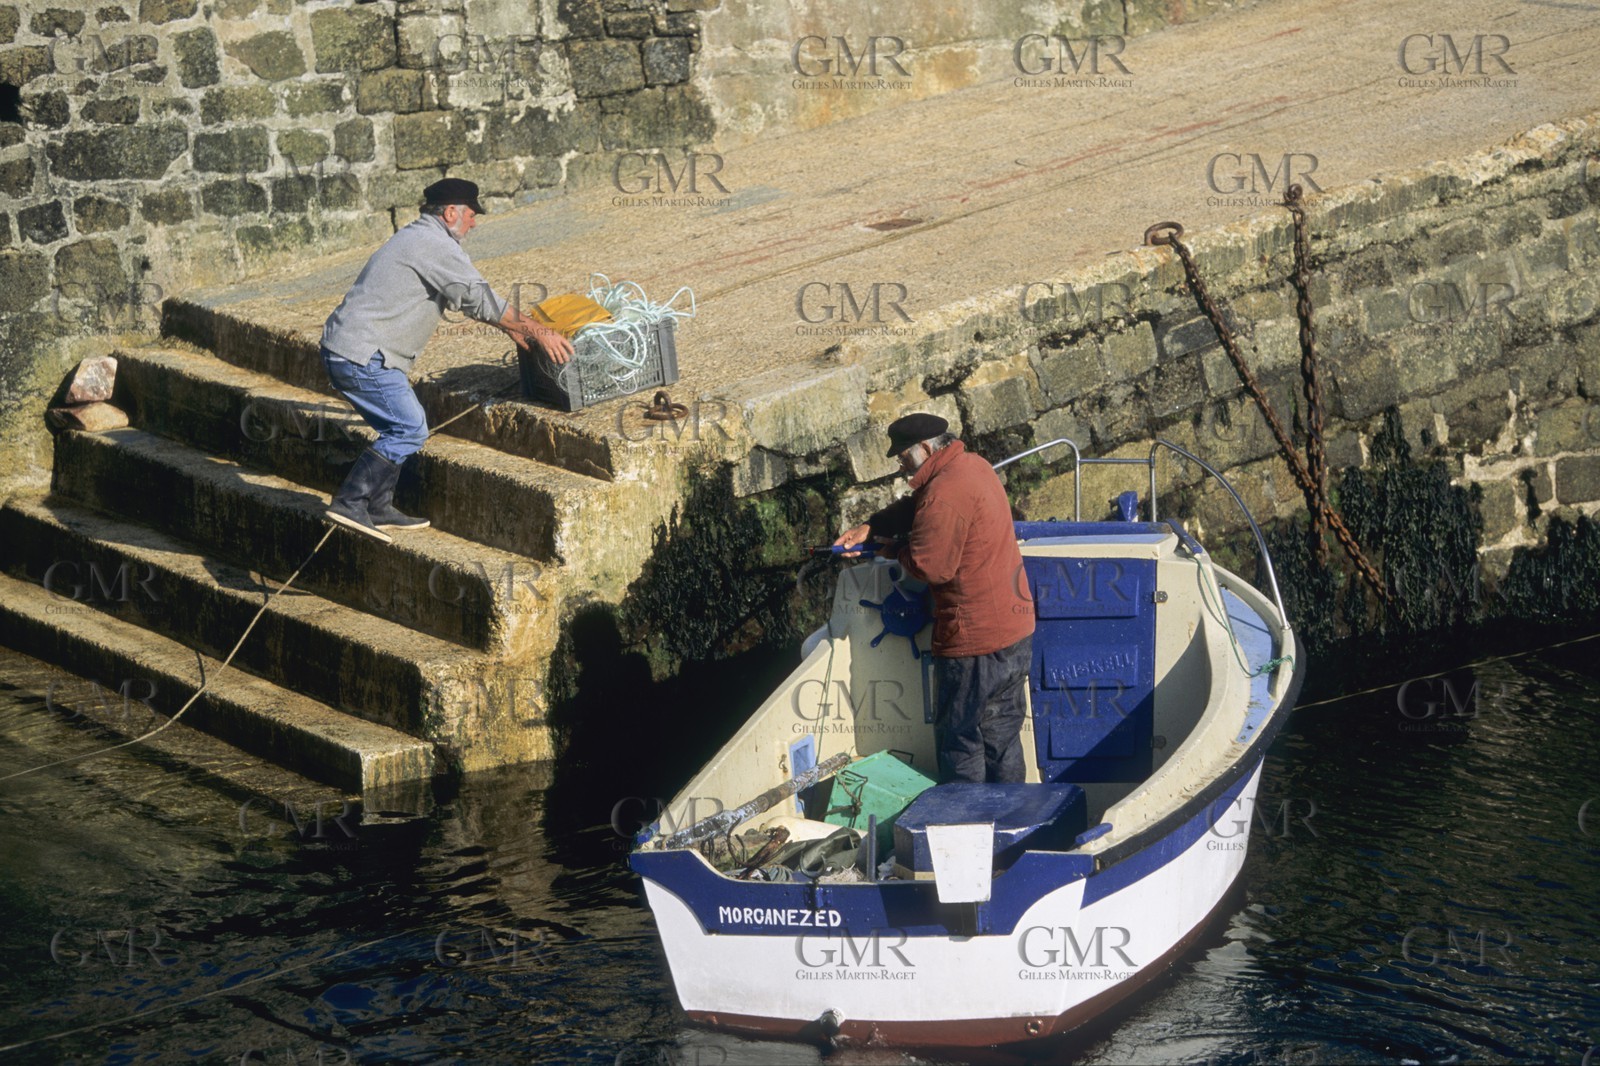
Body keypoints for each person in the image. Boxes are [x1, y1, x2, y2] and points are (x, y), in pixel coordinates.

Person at [319, 177, 574, 543]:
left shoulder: (419, 237)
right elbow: (476, 296)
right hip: (362, 357)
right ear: (451, 212)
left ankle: (377, 506)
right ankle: (351, 501)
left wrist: (510, 329)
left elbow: (467, 298)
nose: (474, 222)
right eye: (471, 214)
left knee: (398, 426)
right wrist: (539, 331)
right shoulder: (432, 244)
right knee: (409, 428)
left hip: (348, 350)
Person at [834, 413, 1035, 784]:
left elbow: (931, 567)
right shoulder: (971, 466)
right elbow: (917, 507)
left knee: (960, 738)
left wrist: (894, 550)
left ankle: (966, 826)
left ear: (925, 448)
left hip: (974, 641)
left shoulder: (943, 493)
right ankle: (1010, 819)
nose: (898, 462)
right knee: (1002, 736)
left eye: (902, 455)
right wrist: (872, 527)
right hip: (1014, 629)